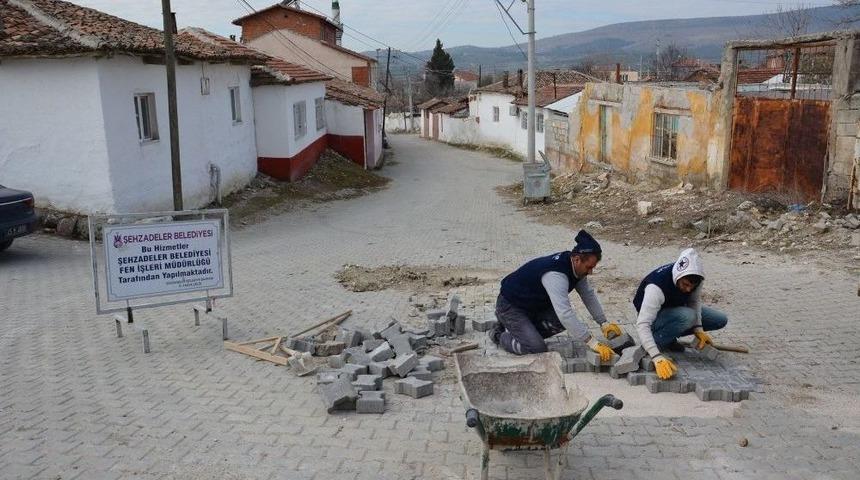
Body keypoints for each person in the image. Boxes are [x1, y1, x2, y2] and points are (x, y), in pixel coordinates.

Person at [489, 230, 621, 360]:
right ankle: (498, 334)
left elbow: (588, 295)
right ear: (576, 259)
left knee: (560, 322)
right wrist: (592, 343)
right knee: (536, 348)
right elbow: (565, 314)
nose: (590, 272)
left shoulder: (576, 268)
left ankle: (523, 332)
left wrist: (603, 323)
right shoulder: (556, 275)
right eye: (589, 267)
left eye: (593, 267)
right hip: (510, 306)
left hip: (532, 306)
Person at [633, 248, 728, 380]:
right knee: (687, 316)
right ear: (678, 275)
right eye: (685, 284)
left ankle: (669, 338)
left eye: (692, 286)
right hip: (654, 318)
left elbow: (694, 302)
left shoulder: (695, 279)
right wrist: (656, 357)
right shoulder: (656, 287)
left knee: (720, 319)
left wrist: (698, 330)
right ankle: (655, 343)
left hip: (676, 311)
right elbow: (642, 323)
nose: (688, 289)